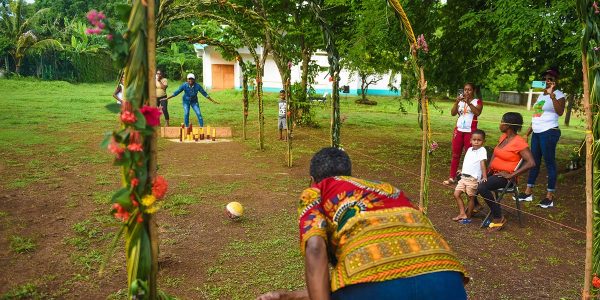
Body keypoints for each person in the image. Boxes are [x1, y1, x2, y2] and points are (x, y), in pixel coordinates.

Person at [257, 147, 468, 300]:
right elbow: (398, 275)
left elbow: (315, 247)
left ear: (312, 179)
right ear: (349, 174)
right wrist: (292, 296)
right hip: (447, 278)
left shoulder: (317, 191)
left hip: (375, 284)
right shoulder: (388, 189)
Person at [477, 112, 535, 232]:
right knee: (469, 178)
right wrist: (488, 169)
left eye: (502, 121)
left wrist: (511, 175)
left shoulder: (519, 142)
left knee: (482, 186)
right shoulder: (503, 137)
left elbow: (531, 163)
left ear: (508, 125)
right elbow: (495, 153)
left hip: (506, 178)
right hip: (494, 172)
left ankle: (499, 217)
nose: (500, 123)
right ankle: (476, 206)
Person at [517, 68, 565, 208]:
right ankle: (528, 192)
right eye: (545, 78)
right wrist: (527, 132)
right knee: (534, 162)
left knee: (549, 163)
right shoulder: (540, 96)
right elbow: (537, 114)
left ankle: (549, 196)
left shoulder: (559, 94)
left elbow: (560, 112)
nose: (547, 81)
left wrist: (552, 96)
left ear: (556, 81)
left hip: (549, 132)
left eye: (550, 79)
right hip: (537, 132)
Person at [444, 83, 483, 186]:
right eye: (465, 90)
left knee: (469, 154)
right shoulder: (460, 102)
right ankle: (452, 177)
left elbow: (477, 113)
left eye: (469, 90)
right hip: (459, 130)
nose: (467, 92)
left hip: (470, 132)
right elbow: (453, 113)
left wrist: (469, 103)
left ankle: (467, 177)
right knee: (455, 154)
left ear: (473, 91)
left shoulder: (477, 102)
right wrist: (456, 102)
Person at [452, 129, 487, 224]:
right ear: (470, 140)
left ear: (483, 141)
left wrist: (484, 176)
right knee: (456, 194)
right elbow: (468, 161)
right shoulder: (469, 150)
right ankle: (462, 213)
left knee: (470, 197)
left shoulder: (482, 150)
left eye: (479, 140)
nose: (476, 142)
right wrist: (462, 170)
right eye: (474, 139)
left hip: (473, 179)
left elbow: (482, 163)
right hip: (464, 177)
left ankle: (468, 216)